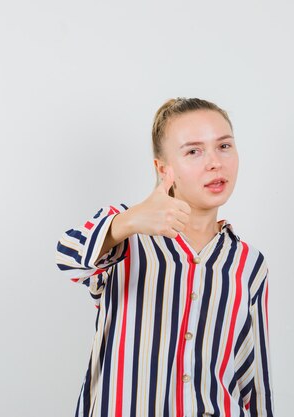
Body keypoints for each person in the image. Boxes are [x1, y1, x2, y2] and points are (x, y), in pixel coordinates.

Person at [55, 97, 274, 417]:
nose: (214, 162)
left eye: (224, 146)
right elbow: (69, 256)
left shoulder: (249, 263)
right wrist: (127, 223)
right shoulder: (126, 232)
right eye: (193, 151)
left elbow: (253, 382)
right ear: (163, 169)